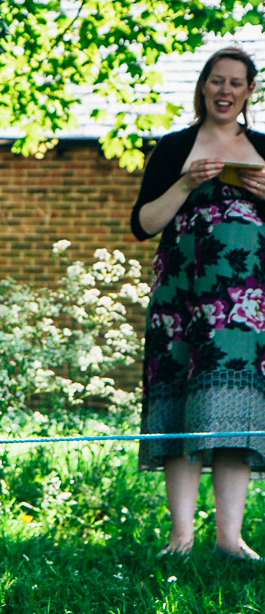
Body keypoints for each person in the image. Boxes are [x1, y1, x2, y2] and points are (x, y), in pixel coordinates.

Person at [131, 47, 265, 561]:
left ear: (249, 91)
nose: (225, 91)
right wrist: (187, 182)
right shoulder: (172, 148)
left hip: (246, 309)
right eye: (216, 81)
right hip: (181, 301)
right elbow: (143, 224)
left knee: (237, 408)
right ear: (203, 86)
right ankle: (180, 539)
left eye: (236, 83)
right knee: (181, 407)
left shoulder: (264, 148)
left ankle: (230, 539)